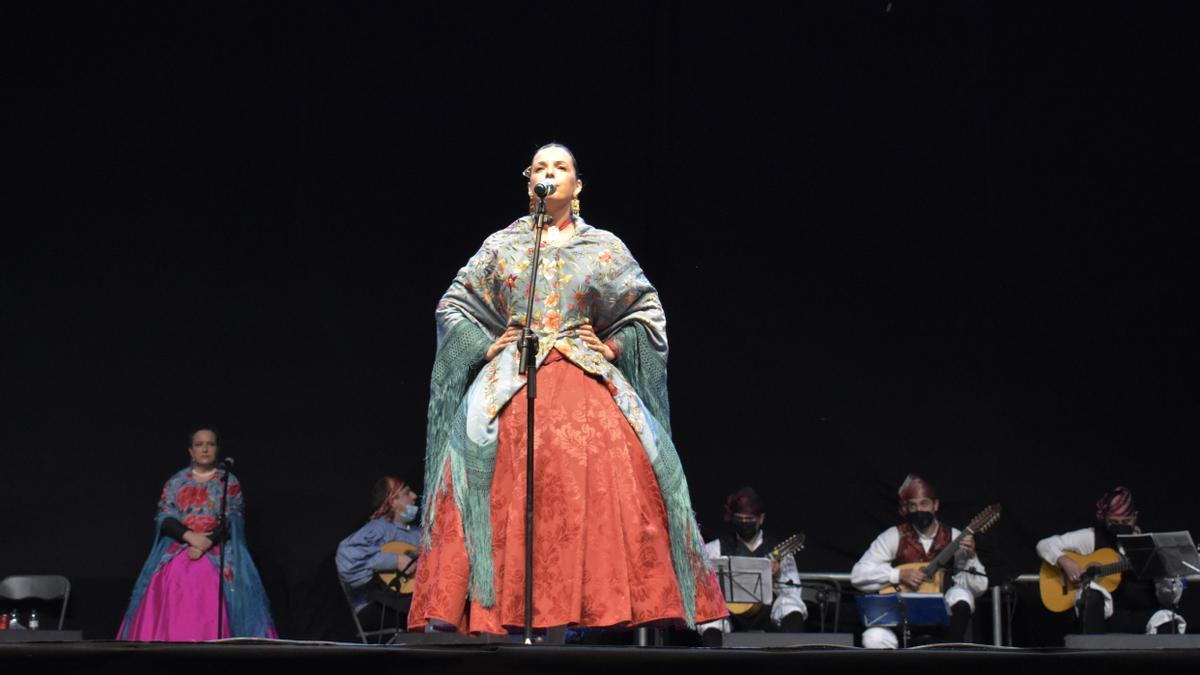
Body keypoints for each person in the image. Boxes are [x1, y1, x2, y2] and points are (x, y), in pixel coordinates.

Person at [407, 143, 727, 635]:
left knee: (626, 478)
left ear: (577, 186)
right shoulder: (503, 246)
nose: (549, 174)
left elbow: (648, 311)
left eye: (560, 168)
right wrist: (488, 345)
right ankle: (484, 608)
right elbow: (453, 305)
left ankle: (580, 618)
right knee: (480, 472)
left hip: (584, 383)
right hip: (512, 382)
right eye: (540, 167)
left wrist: (614, 347)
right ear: (528, 181)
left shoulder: (603, 248)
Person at [118, 428, 275, 640]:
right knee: (174, 573)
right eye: (199, 444)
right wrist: (191, 537)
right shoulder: (177, 481)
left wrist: (206, 542)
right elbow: (165, 517)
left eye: (210, 444)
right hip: (182, 542)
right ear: (191, 451)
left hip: (217, 544)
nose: (205, 449)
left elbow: (233, 518)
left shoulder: (228, 481)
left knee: (210, 576)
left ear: (217, 449)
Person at [850, 474, 986, 649]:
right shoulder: (894, 536)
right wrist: (898, 574)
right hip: (901, 619)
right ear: (907, 508)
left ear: (935, 505)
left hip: (943, 621)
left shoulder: (954, 537)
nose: (919, 510)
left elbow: (978, 587)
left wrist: (971, 557)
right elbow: (858, 575)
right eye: (913, 505)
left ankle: (949, 653)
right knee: (873, 637)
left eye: (924, 504)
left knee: (961, 594)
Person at [1036, 486, 1186, 635]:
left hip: (1142, 614)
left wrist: (1163, 577)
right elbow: (1044, 545)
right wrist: (1065, 561)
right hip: (1105, 617)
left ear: (1135, 516)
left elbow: (1168, 599)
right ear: (1104, 518)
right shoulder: (1091, 537)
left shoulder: (1150, 546)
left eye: (1126, 521)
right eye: (1114, 522)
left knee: (1166, 620)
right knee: (1092, 595)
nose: (1120, 526)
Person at [699, 487, 807, 646]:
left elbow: (794, 591)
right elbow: (703, 588)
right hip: (730, 614)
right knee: (710, 617)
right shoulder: (716, 548)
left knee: (791, 605)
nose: (744, 524)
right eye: (739, 520)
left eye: (749, 520)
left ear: (761, 518)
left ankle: (791, 661)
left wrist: (776, 577)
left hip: (766, 613)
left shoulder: (777, 551)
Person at [336, 476, 422, 636]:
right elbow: (346, 556)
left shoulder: (419, 533)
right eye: (407, 492)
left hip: (412, 603)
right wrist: (395, 560)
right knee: (425, 616)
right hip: (378, 606)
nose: (414, 496)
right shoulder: (378, 529)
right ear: (393, 501)